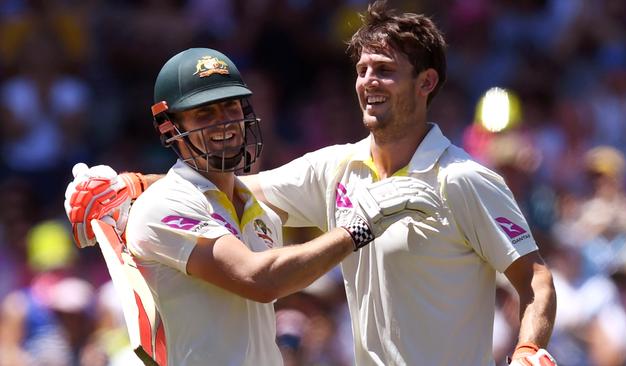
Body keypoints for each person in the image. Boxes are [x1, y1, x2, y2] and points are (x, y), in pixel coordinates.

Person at [65, 2, 557, 365]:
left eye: (385, 71)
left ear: (426, 82)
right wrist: (135, 182)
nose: (368, 82)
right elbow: (223, 193)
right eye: (362, 70)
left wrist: (530, 348)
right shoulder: (335, 170)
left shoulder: (465, 180)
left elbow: (533, 278)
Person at [64, 45, 440, 366]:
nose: (223, 123)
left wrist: (137, 181)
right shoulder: (163, 207)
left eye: (230, 107)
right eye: (204, 114)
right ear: (169, 129)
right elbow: (259, 279)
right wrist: (359, 228)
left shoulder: (256, 210)